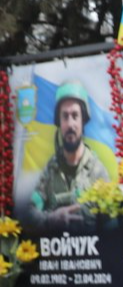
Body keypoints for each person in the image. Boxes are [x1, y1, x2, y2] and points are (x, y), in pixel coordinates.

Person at [27, 80, 110, 227]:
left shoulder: (97, 172)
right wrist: (50, 219)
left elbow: (112, 225)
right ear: (59, 122)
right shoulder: (50, 170)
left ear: (83, 121)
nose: (70, 124)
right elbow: (29, 212)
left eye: (75, 116)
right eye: (65, 116)